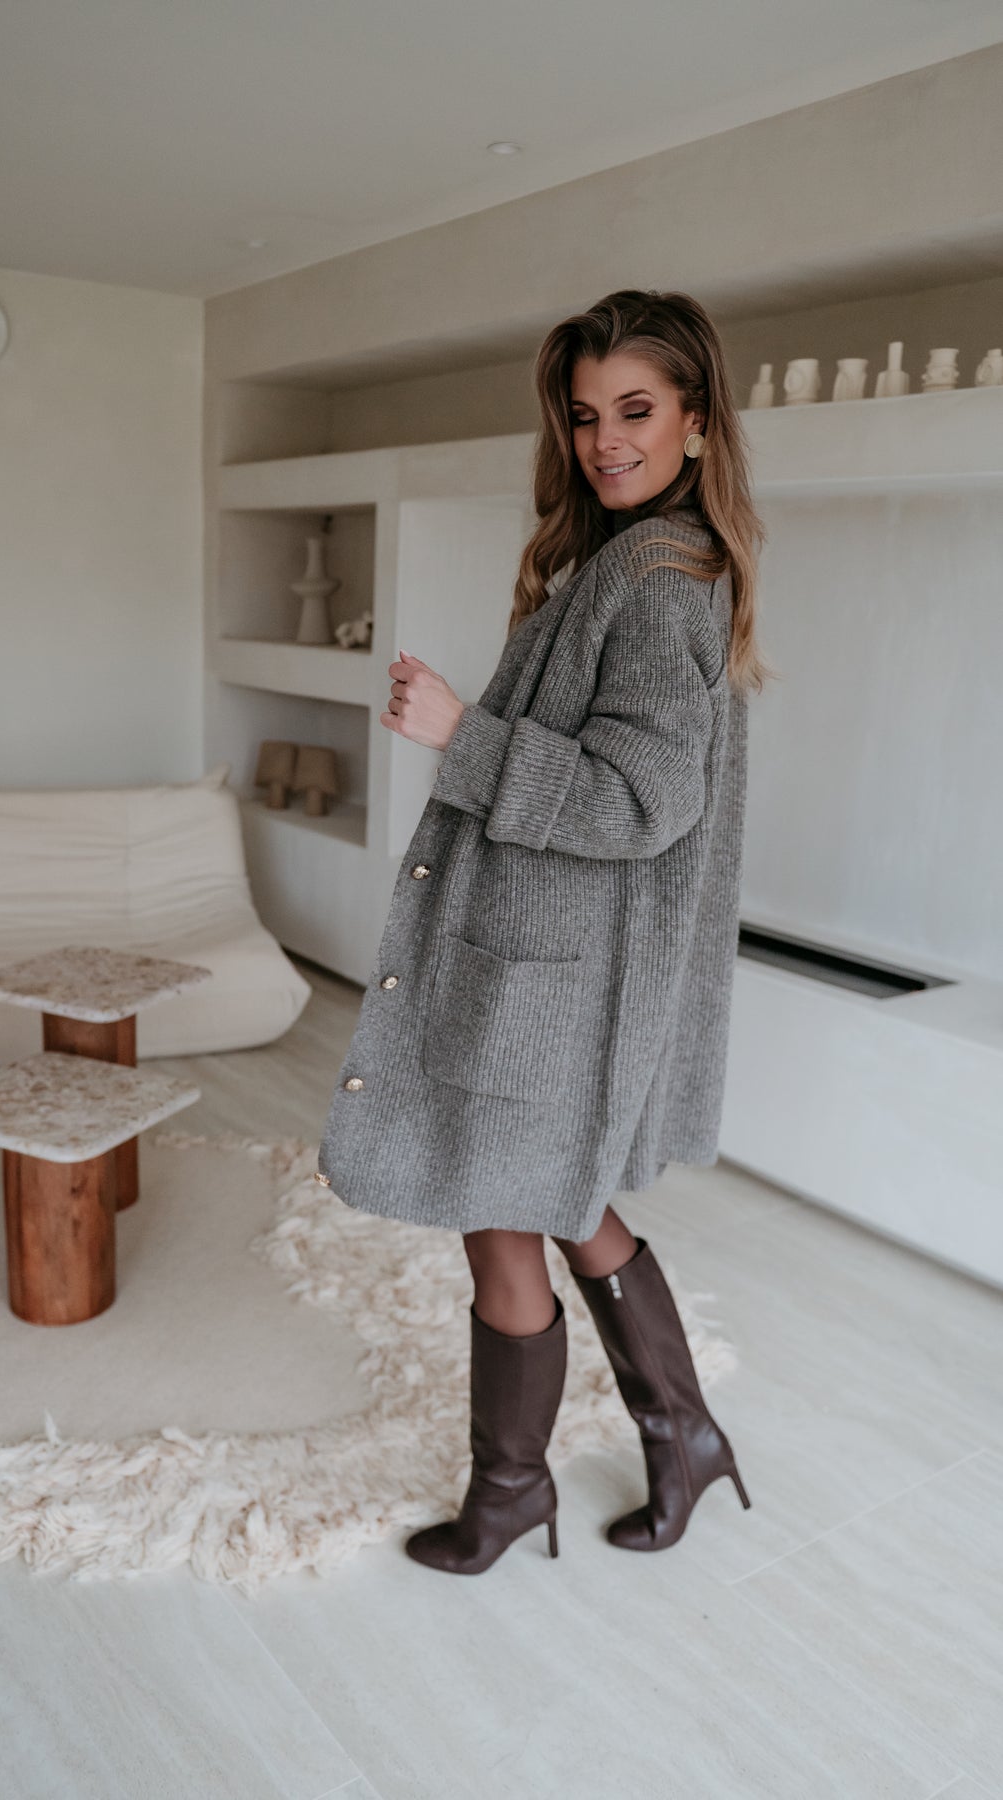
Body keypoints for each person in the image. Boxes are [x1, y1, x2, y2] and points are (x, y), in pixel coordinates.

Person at [314, 287, 772, 1575]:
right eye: (585, 416)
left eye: (636, 410)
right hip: (546, 962)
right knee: (551, 1199)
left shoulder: (662, 582)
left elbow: (637, 802)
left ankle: (519, 1491)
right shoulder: (625, 564)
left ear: (696, 421)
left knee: (506, 1208)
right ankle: (677, 1440)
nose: (606, 440)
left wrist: (463, 734)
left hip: (551, 978)